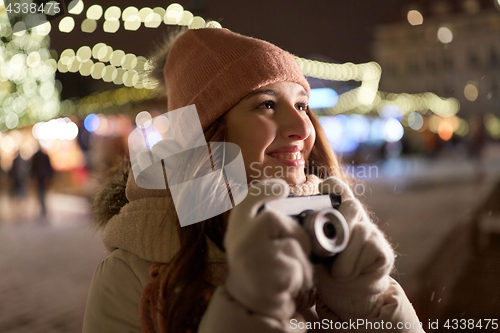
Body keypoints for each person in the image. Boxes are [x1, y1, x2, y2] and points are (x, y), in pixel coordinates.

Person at [83, 26, 424, 333]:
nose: (303, 129)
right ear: (206, 135)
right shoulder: (130, 276)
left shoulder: (334, 235)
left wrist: (370, 304)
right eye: (266, 104)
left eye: (302, 105)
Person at [31, 146, 54, 217]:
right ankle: (43, 205)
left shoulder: (36, 156)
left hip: (39, 176)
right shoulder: (44, 156)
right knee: (42, 191)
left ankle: (42, 205)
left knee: (40, 191)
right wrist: (50, 176)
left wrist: (32, 176)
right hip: (44, 176)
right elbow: (49, 167)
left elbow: (33, 167)